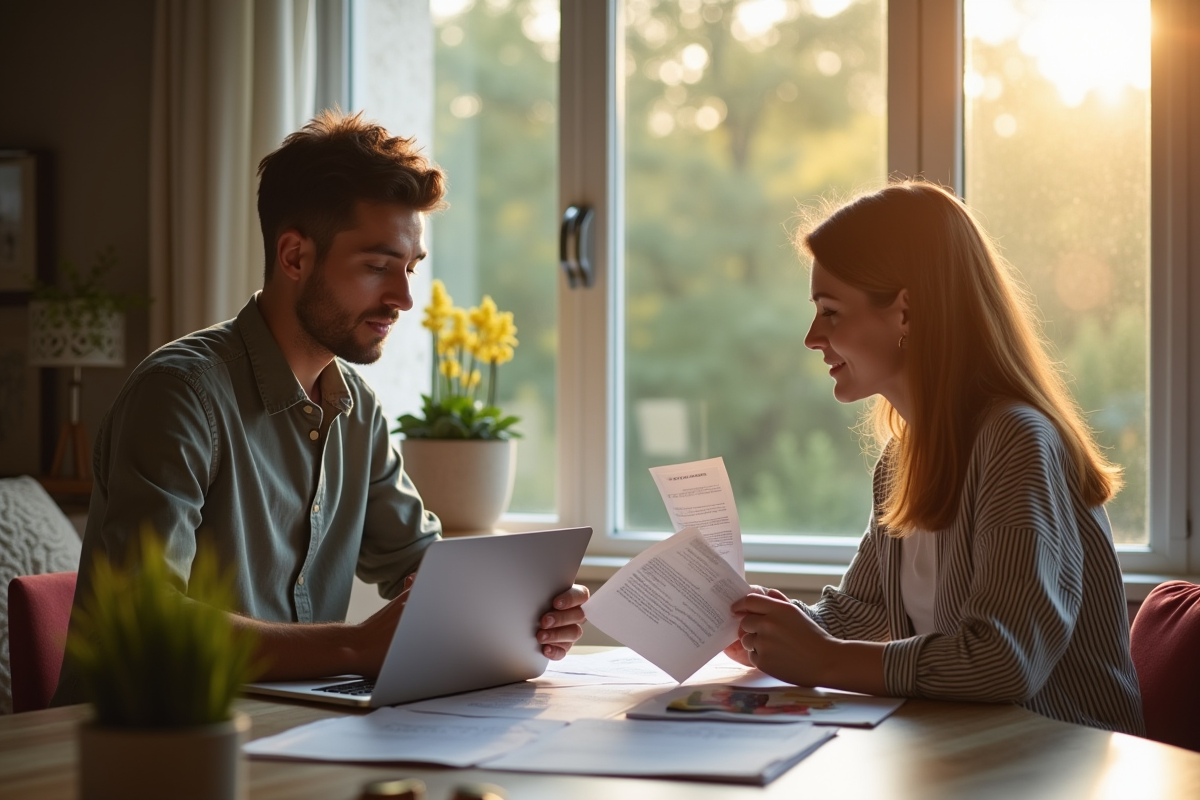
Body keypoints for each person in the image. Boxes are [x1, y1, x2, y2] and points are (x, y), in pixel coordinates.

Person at [52, 112, 587, 706]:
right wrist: (353, 647)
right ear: (294, 256)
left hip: (288, 725)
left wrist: (523, 608)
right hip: (141, 741)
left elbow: (422, 567)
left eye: (409, 269)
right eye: (378, 266)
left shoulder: (356, 410)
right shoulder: (179, 395)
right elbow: (148, 620)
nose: (405, 298)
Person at [724, 181, 1144, 735]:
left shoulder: (1017, 442)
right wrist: (774, 632)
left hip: (1056, 763)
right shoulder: (902, 460)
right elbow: (867, 611)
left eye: (830, 312)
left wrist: (821, 657)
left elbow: (1003, 659)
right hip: (967, 754)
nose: (810, 337)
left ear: (906, 311)